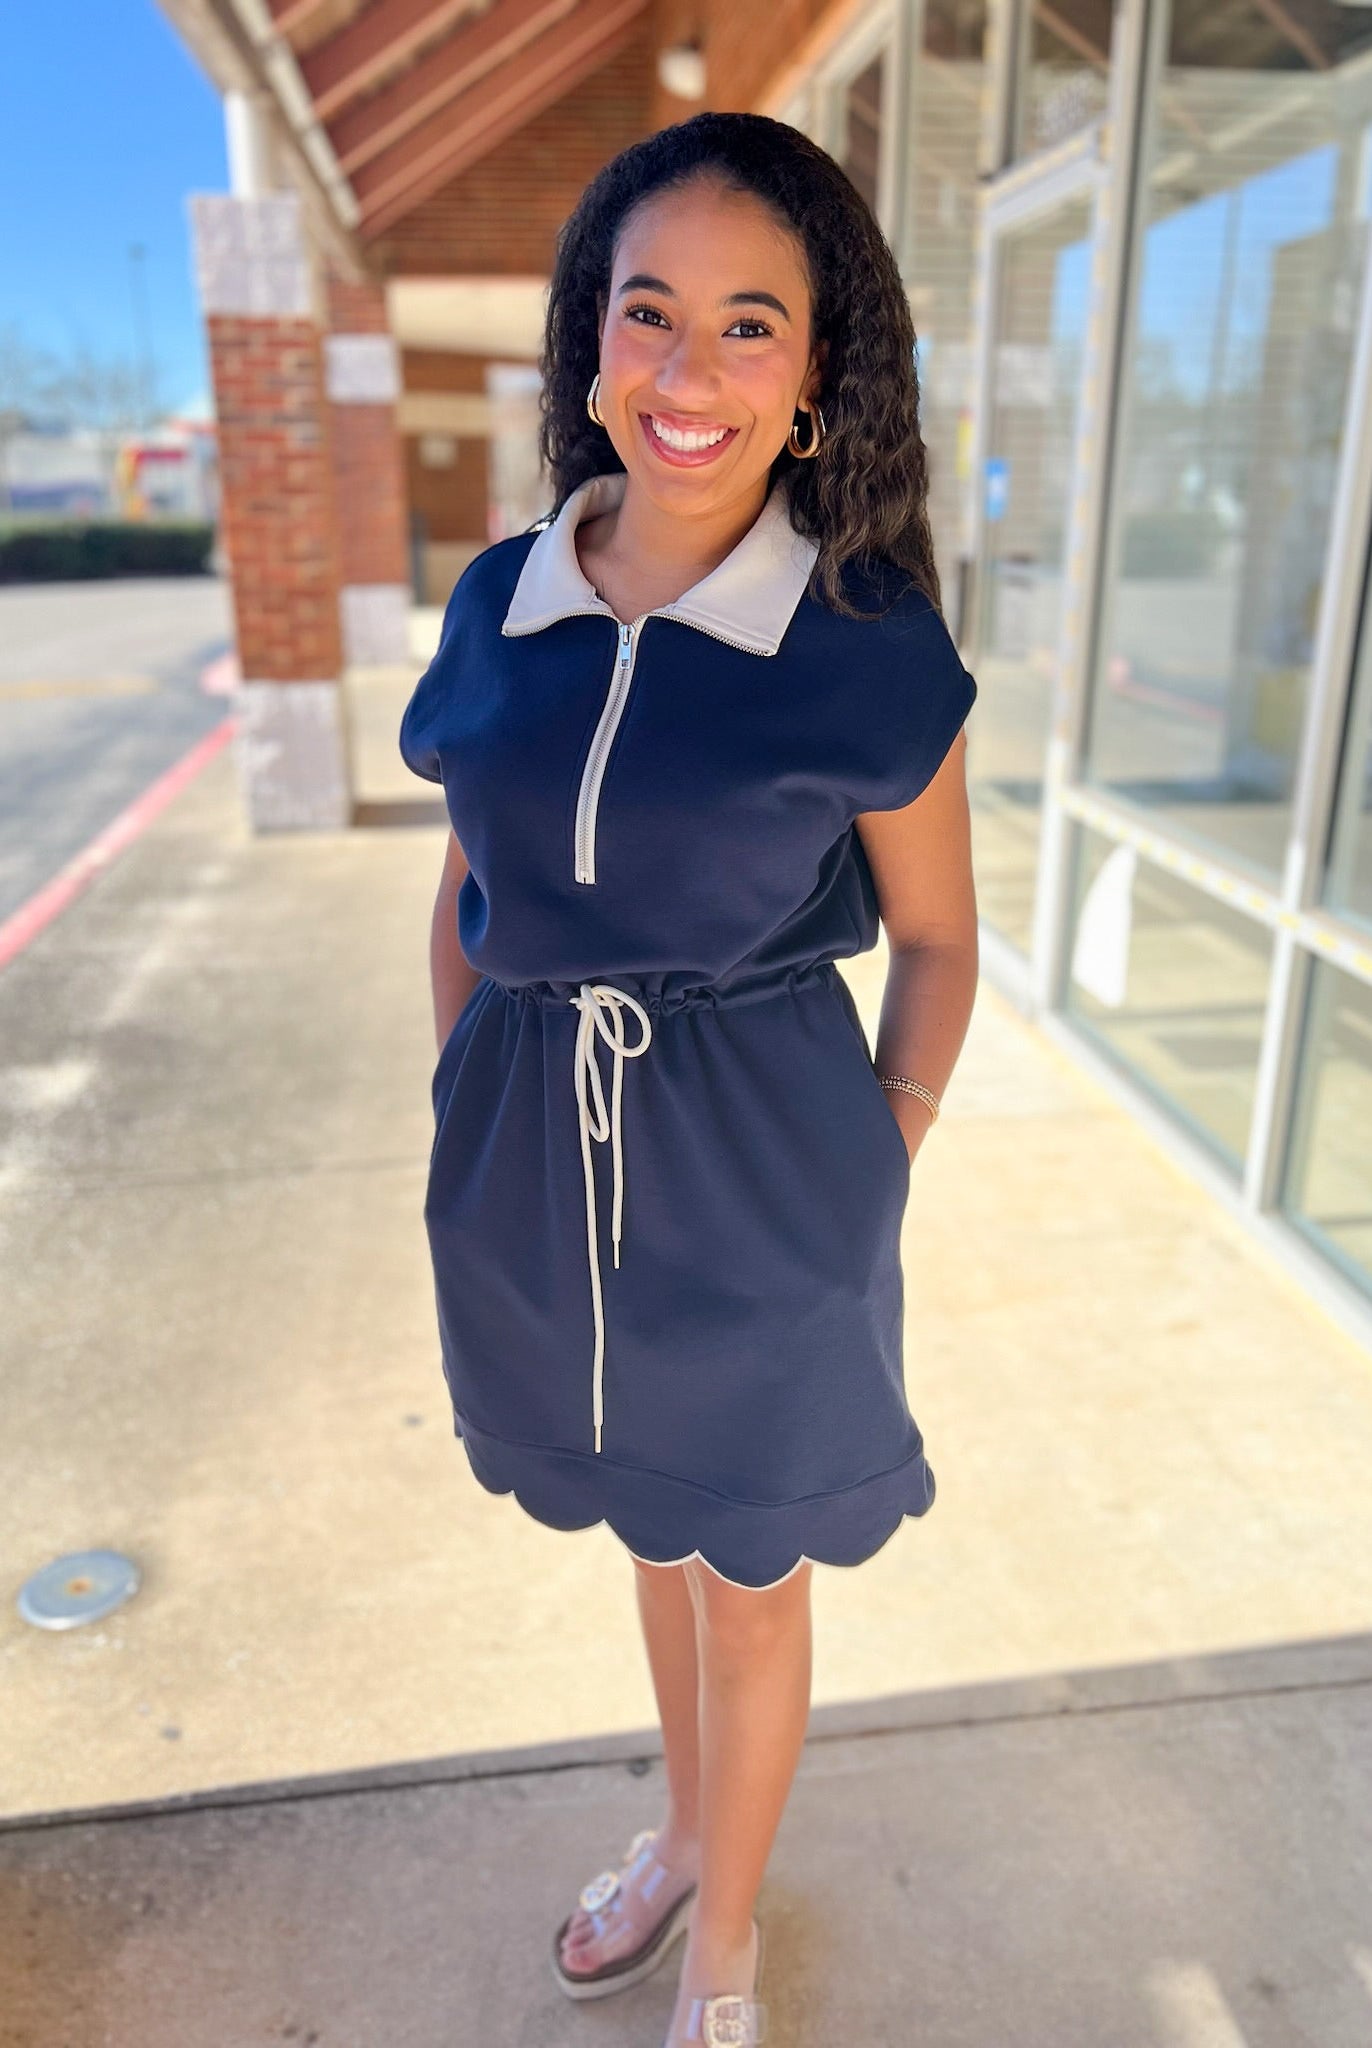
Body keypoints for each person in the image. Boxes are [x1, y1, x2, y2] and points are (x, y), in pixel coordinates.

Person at [398, 110, 979, 2048]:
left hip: (764, 1180)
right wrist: (461, 1103)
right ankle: (678, 1834)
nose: (689, 371)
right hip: (536, 1180)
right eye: (650, 314)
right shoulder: (501, 602)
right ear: (588, 345)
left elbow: (942, 943)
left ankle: (717, 1951)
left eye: (750, 325)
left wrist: (862, 1169)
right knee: (651, 1530)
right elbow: (465, 887)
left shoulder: (862, 646)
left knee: (746, 1577)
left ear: (816, 377)